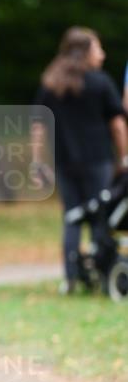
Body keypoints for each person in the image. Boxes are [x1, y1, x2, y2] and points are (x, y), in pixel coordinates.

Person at [31, 26, 128, 294]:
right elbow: (118, 126)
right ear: (84, 51)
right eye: (98, 48)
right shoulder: (100, 83)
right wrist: (123, 158)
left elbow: (38, 127)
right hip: (98, 161)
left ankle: (71, 277)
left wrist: (37, 162)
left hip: (65, 163)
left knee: (71, 218)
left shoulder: (51, 84)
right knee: (101, 215)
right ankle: (105, 271)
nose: (103, 54)